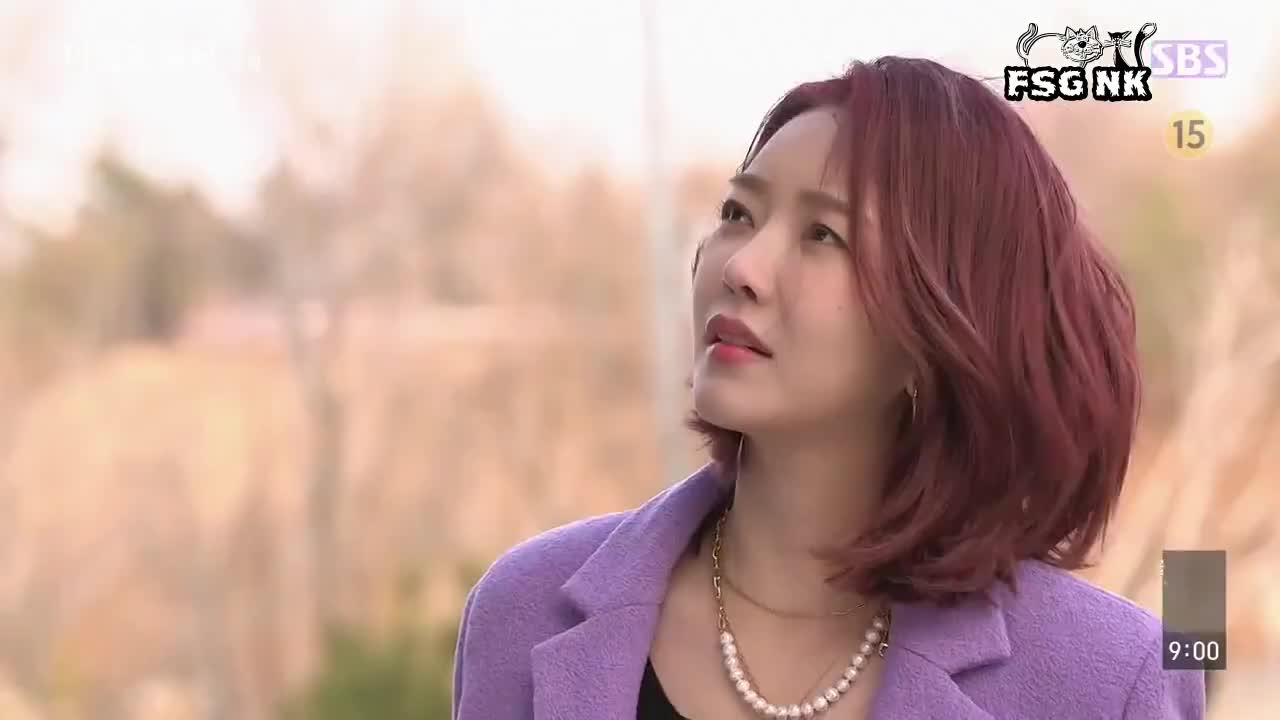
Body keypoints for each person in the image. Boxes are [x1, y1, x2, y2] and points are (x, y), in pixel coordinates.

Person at [450, 56, 1206, 719]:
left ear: (943, 327)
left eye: (822, 234)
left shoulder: (1108, 679)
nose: (741, 266)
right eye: (738, 214)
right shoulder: (525, 608)